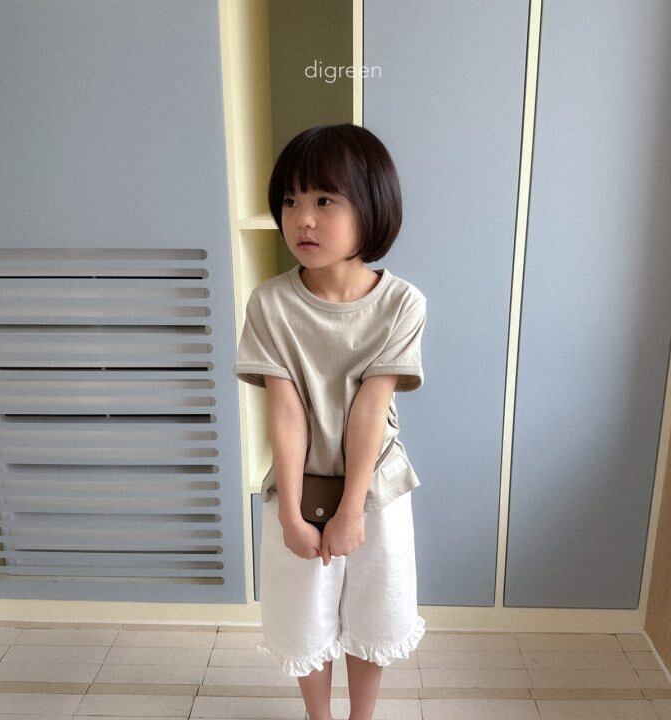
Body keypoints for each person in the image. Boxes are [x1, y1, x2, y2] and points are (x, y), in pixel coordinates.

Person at [234, 123, 427, 720]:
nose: (303, 219)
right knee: (303, 619)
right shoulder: (270, 303)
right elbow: (286, 411)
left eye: (324, 200)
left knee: (375, 614)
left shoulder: (402, 303)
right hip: (298, 487)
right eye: (290, 201)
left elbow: (371, 407)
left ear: (371, 207)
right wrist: (290, 513)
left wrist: (352, 510)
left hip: (377, 490)